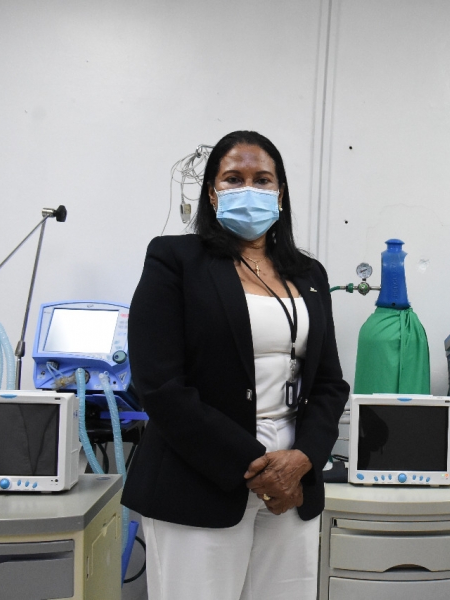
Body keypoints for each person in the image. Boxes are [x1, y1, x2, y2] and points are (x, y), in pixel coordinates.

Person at [122, 130, 350, 600]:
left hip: (293, 486)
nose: (249, 188)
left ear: (280, 193)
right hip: (199, 480)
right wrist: (257, 465)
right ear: (212, 192)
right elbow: (159, 385)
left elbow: (329, 382)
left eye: (262, 179)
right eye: (233, 178)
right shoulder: (175, 260)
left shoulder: (309, 274)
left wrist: (304, 458)